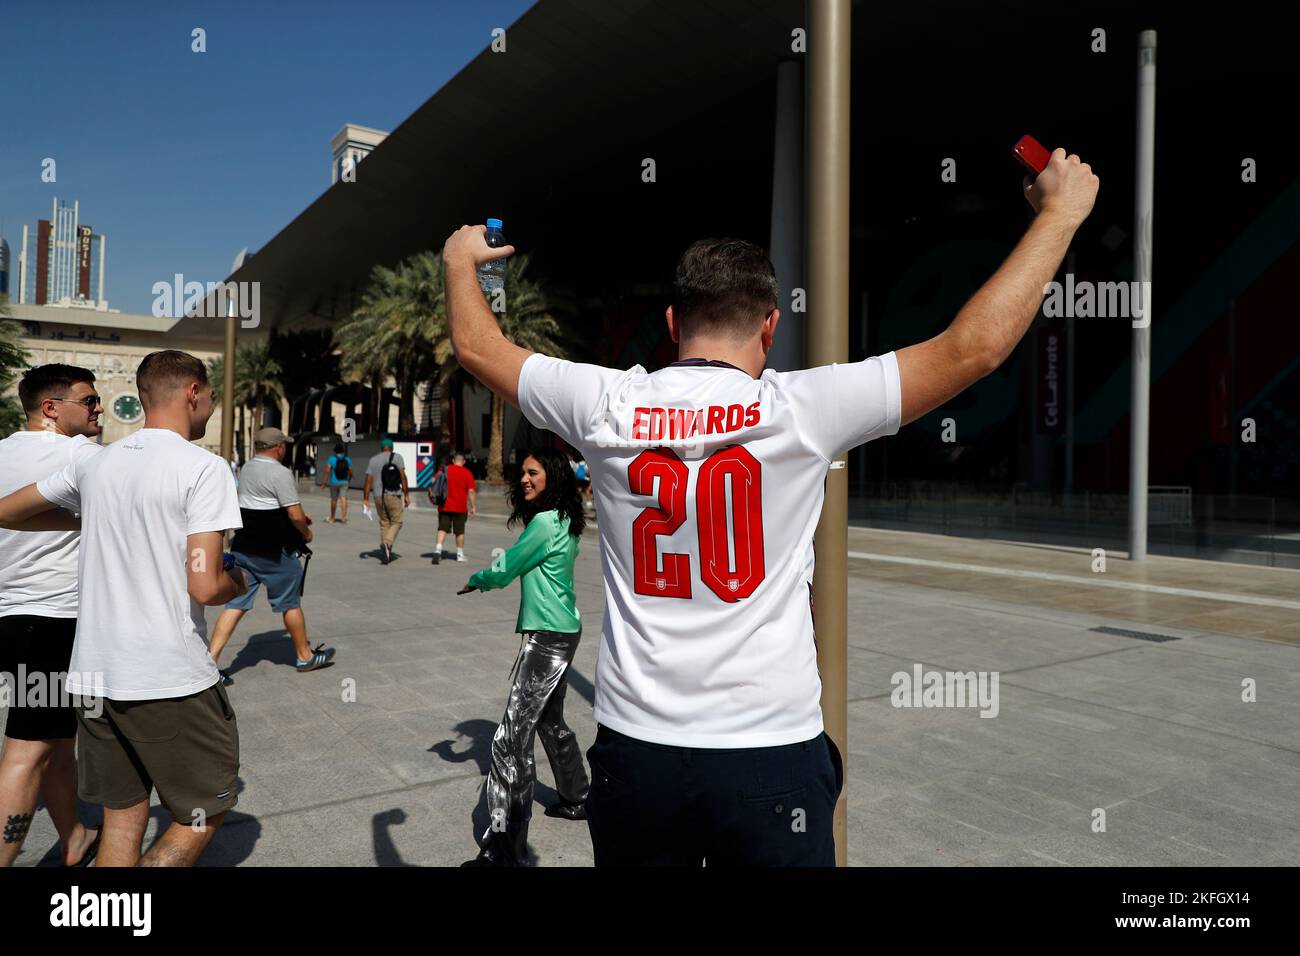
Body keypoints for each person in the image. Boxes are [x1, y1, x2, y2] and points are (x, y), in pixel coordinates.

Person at [443, 149, 1097, 866]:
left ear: (671, 321)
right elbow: (973, 349)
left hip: (639, 751)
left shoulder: (605, 402)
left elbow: (478, 346)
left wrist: (458, 260)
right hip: (769, 752)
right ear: (769, 326)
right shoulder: (803, 409)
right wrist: (1060, 215)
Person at [0, 350, 250, 867]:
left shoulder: (97, 461)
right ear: (192, 393)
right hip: (167, 677)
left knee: (122, 814)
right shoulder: (203, 468)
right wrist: (238, 580)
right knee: (201, 813)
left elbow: (6, 512)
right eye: (210, 397)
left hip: (92, 676)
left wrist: (88, 523)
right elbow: (204, 584)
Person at [459, 447, 588, 866]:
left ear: (552, 476)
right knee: (550, 722)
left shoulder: (545, 523)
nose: (525, 480)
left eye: (534, 473)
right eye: (523, 473)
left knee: (510, 741)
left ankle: (502, 848)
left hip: (548, 638)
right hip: (565, 629)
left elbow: (507, 566)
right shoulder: (566, 519)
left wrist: (478, 579)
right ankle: (577, 796)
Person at [0, 365, 104, 868]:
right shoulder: (82, 456)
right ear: (50, 408)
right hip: (55, 621)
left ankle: (75, 836)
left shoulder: (0, 451)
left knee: (57, 740)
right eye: (89, 400)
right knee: (25, 751)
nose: (99, 408)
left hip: (12, 620)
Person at [207, 427, 334, 680]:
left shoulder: (247, 468)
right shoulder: (280, 472)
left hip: (244, 547)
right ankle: (305, 656)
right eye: (284, 445)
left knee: (236, 604)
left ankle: (209, 666)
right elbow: (295, 514)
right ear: (279, 448)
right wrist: (306, 533)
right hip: (274, 553)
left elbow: (260, 506)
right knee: (290, 604)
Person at [362, 438, 409, 564]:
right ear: (392, 448)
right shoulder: (397, 457)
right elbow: (403, 477)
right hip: (393, 495)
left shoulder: (373, 460)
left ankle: (385, 550)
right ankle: (387, 543)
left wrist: (366, 499)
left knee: (384, 522)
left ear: (381, 448)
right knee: (397, 521)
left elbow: (368, 481)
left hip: (378, 496)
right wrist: (406, 494)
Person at [429, 451, 476, 564]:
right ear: (463, 462)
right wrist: (473, 506)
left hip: (444, 506)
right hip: (460, 508)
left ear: (453, 461)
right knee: (459, 531)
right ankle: (459, 555)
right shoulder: (467, 473)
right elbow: (471, 491)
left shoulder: (445, 470)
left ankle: (438, 551)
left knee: (442, 529)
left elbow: (433, 482)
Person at [326, 443, 352, 524]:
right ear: (343, 451)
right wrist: (349, 480)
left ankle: (333, 518)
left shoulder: (331, 459)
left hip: (334, 482)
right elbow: (350, 471)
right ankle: (343, 518)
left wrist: (325, 482)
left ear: (335, 451)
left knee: (334, 499)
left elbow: (328, 470)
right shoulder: (348, 459)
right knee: (343, 498)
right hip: (344, 481)